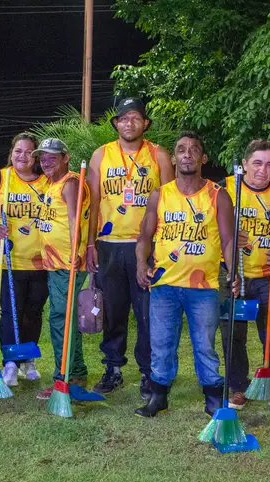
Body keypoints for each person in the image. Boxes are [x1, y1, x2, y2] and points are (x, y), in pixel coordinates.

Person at [134, 131, 238, 418]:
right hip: (165, 284)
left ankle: (213, 397)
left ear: (203, 158)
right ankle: (158, 396)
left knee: (205, 343)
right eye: (181, 150)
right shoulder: (160, 195)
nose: (187, 154)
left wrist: (234, 271)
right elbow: (144, 236)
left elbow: (228, 241)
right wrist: (141, 264)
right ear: (175, 157)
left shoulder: (218, 196)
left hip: (203, 286)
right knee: (162, 342)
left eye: (194, 150)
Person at [86, 97, 174, 398]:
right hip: (109, 245)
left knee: (147, 311)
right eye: (124, 118)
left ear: (145, 123)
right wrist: (89, 243)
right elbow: (93, 202)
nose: (129, 123)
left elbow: (170, 201)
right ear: (116, 123)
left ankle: (149, 373)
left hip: (145, 246)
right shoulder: (101, 155)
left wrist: (162, 246)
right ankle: (112, 368)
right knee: (112, 310)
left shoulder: (159, 155)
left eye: (136, 118)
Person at [218, 139, 270, 415]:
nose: (263, 170)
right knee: (233, 334)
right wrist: (228, 238)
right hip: (233, 273)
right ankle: (238, 387)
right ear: (244, 164)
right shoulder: (227, 189)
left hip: (266, 275)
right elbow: (210, 226)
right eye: (257, 163)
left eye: (269, 165)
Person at [0, 133, 49, 387]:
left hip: (41, 261)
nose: (23, 156)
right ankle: (10, 363)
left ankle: (28, 359)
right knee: (10, 312)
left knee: (33, 312)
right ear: (12, 152)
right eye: (19, 151)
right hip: (7, 259)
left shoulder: (47, 181)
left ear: (36, 155)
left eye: (29, 152)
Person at [29, 138, 89, 400]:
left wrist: (76, 251)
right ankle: (75, 372)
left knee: (60, 319)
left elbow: (75, 219)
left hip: (68, 263)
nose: (46, 160)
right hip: (54, 264)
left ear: (66, 157)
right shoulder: (51, 184)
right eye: (42, 156)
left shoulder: (69, 183)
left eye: (53, 156)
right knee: (66, 318)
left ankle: (62, 377)